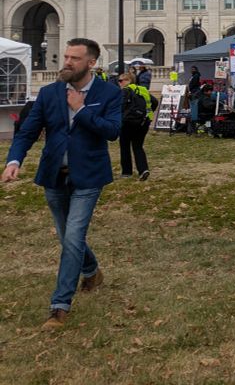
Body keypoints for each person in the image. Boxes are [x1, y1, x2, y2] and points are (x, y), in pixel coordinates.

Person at [3, 38, 122, 330]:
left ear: (91, 63)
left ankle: (59, 306)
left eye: (74, 58)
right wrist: (14, 160)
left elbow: (112, 131)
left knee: (73, 236)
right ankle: (91, 271)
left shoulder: (108, 93)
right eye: (66, 56)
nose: (66, 62)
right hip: (54, 174)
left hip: (89, 175)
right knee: (66, 236)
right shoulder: (49, 93)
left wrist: (82, 110)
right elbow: (27, 131)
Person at [117, 71, 151, 180]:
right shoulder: (143, 90)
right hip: (143, 122)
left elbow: (120, 106)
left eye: (121, 80)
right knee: (138, 146)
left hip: (128, 122)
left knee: (125, 145)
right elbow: (154, 102)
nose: (119, 83)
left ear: (128, 81)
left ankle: (127, 172)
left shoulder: (125, 91)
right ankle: (143, 169)